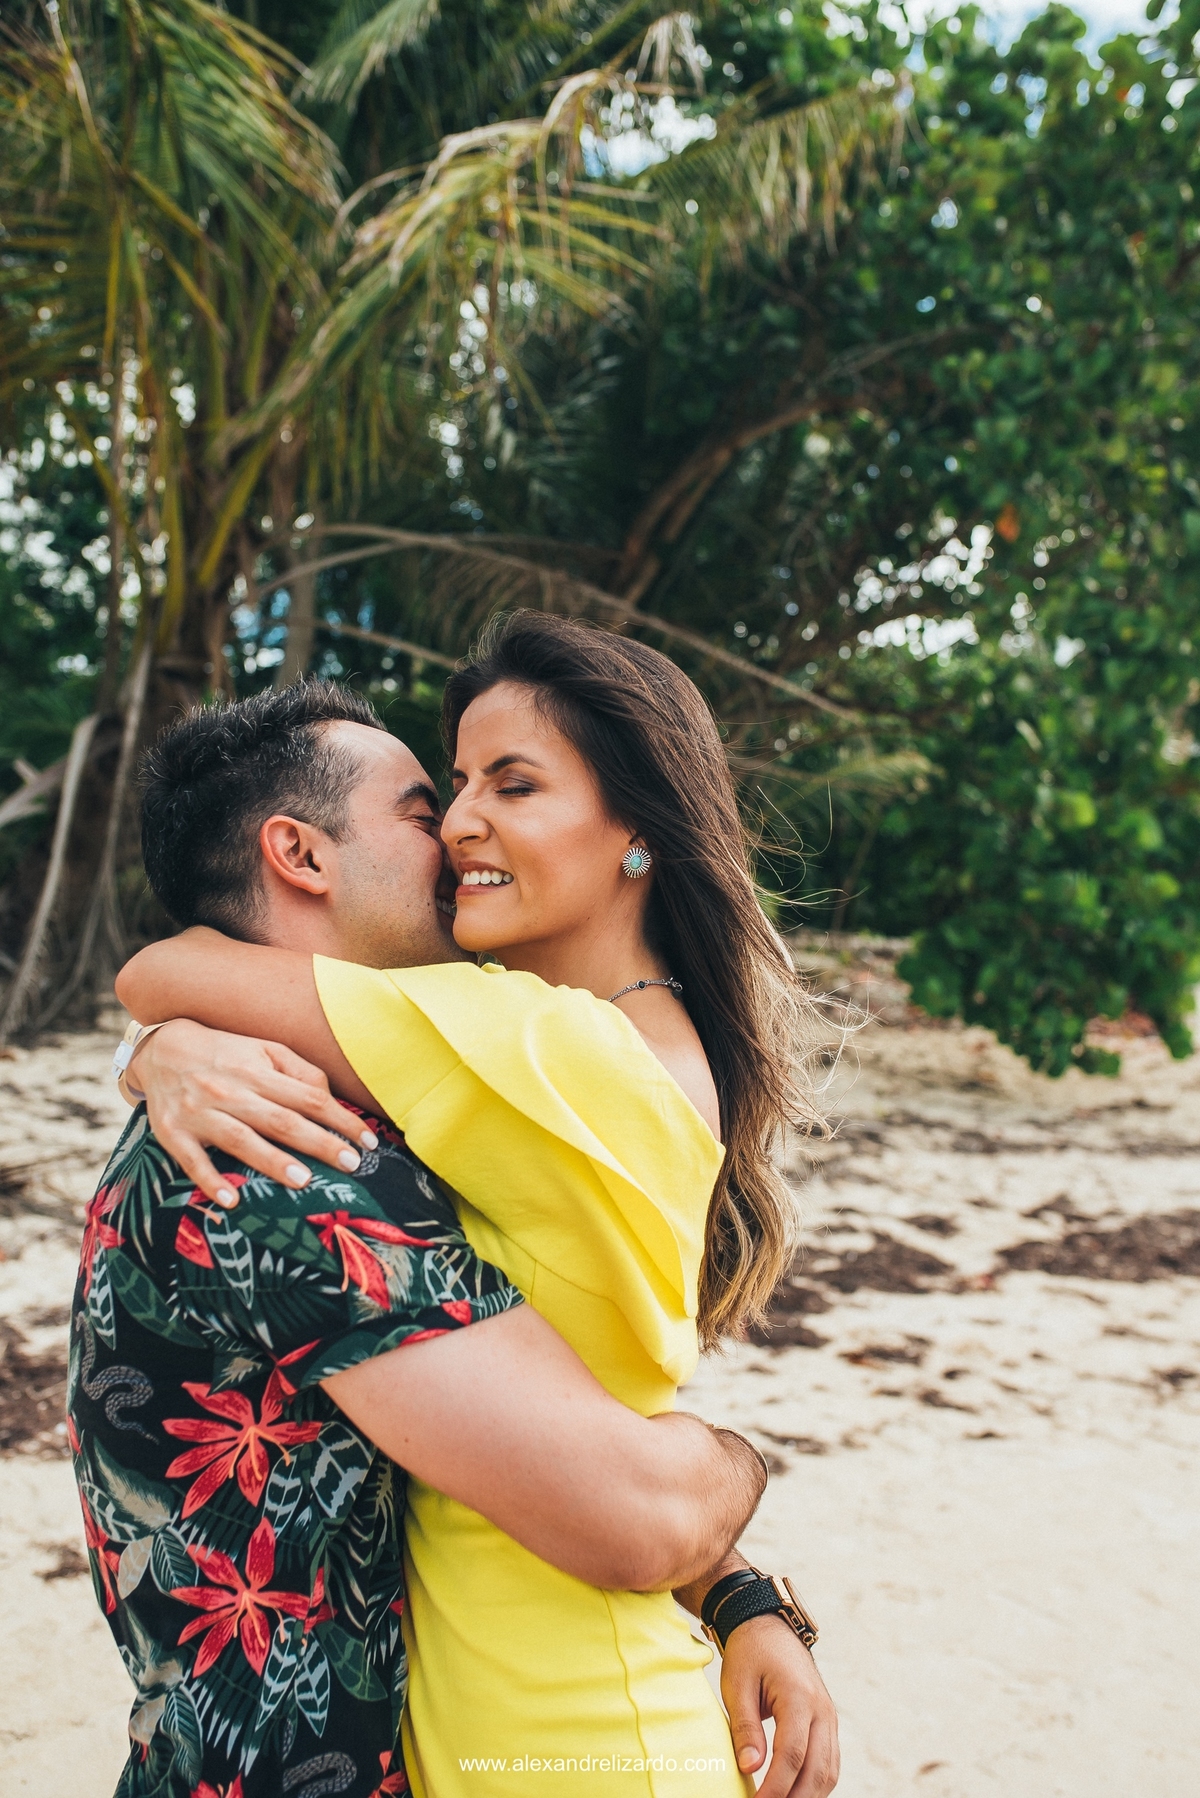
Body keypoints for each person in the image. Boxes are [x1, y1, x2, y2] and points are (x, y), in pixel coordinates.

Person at [117, 625, 839, 1796]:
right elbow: (560, 1407)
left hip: (572, 1730)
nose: (459, 824)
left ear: (640, 829)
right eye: (449, 789)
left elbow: (157, 970)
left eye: (513, 783)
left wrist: (164, 1036)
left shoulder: (534, 1048)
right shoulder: (523, 1049)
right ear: (295, 853)